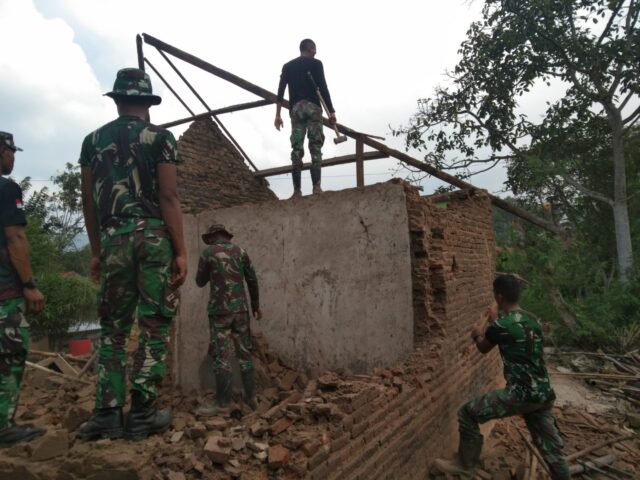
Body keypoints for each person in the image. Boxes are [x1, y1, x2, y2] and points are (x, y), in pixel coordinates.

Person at [77, 68, 187, 441]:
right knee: (154, 324)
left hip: (113, 241)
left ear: (117, 99)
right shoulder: (161, 138)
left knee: (113, 329)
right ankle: (141, 413)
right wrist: (182, 252)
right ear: (147, 103)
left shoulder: (92, 141)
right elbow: (169, 197)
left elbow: (89, 203)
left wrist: (96, 251)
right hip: (154, 239)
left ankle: (107, 413)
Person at [433, 274, 569, 479]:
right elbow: (514, 334)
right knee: (551, 449)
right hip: (543, 394)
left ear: (498, 296)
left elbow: (483, 347)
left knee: (468, 413)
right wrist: (495, 321)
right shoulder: (533, 322)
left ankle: (464, 465)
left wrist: (477, 333)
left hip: (520, 394)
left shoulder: (501, 326)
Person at [0, 132, 47, 448]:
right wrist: (29, 285)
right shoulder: (6, 188)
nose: (12, 157)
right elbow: (15, 237)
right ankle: (3, 426)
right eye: (9, 151)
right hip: (5, 292)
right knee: (10, 355)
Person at [195, 224, 261, 417]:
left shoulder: (208, 253)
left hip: (219, 312)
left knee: (222, 356)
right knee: (244, 353)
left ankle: (223, 404)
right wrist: (256, 305)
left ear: (213, 236)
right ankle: (251, 398)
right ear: (226, 236)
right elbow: (252, 280)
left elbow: (199, 281)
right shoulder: (241, 252)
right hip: (241, 310)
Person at [275, 38, 337, 197]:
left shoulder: (288, 66)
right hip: (313, 108)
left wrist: (278, 114)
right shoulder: (316, 64)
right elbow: (323, 87)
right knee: (315, 145)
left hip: (296, 110)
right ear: (310, 49)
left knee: (296, 148)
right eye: (314, 49)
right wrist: (331, 111)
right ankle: (316, 187)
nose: (316, 52)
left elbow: (281, 91)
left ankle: (297, 191)